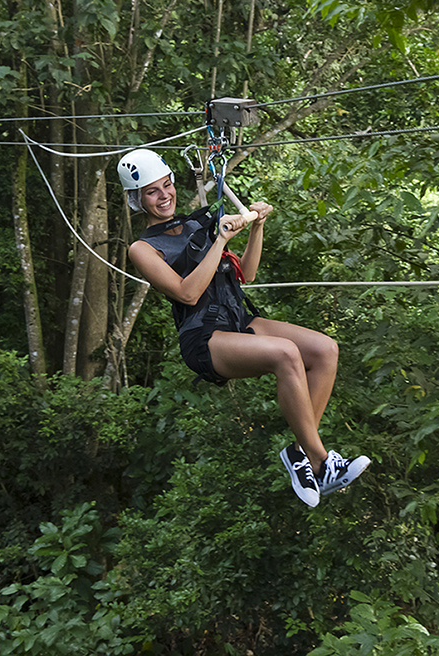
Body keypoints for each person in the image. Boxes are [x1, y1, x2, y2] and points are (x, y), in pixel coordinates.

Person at [117, 148, 369, 507]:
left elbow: (245, 275)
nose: (165, 195)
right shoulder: (143, 248)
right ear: (137, 199)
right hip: (204, 337)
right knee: (285, 354)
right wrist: (218, 240)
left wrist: (256, 228)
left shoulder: (194, 224)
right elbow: (187, 294)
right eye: (153, 191)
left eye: (167, 185)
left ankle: (300, 454)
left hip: (239, 319)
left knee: (325, 350)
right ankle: (322, 461)